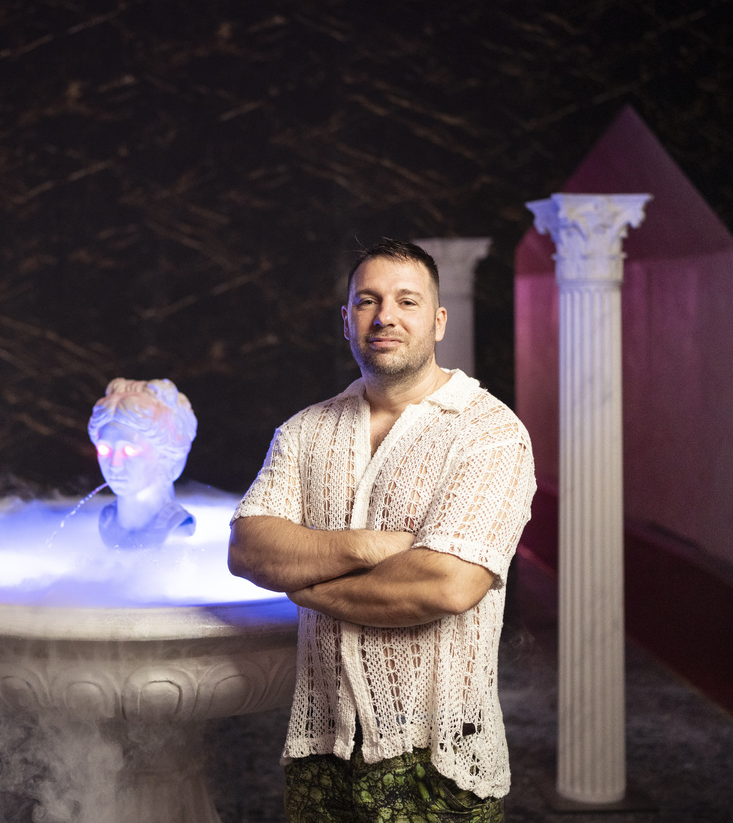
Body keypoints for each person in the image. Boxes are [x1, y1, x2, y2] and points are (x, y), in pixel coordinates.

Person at [228, 239, 535, 822]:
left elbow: (444, 587)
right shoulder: (303, 431)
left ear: (438, 320)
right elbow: (248, 548)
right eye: (367, 301)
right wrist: (371, 547)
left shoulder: (489, 433)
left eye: (406, 301)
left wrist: (304, 583)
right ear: (347, 320)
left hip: (440, 764)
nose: (385, 316)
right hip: (321, 750)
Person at [88, 377, 198, 547]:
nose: (114, 464)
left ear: (165, 456)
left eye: (130, 451)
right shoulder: (107, 520)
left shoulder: (177, 529)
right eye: (104, 450)